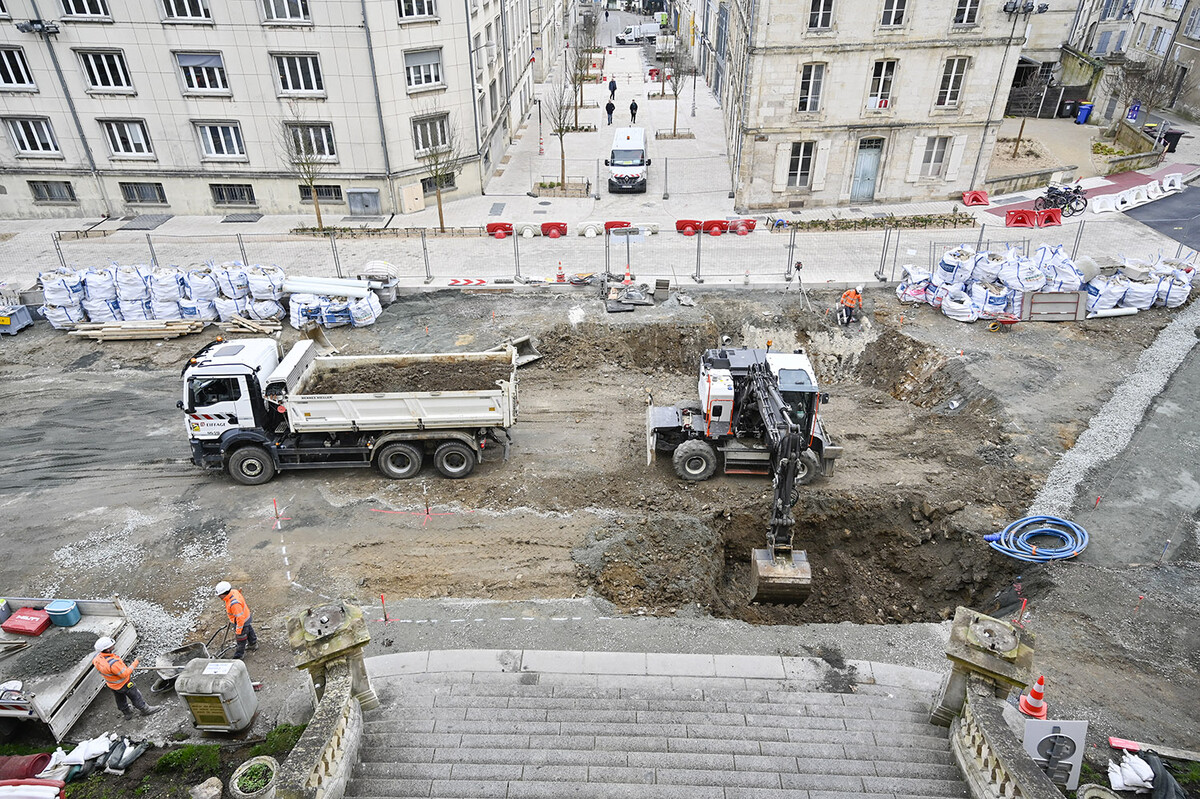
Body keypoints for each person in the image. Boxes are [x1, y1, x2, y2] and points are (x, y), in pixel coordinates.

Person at [92, 638, 162, 721]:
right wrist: (136, 662)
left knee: (120, 699)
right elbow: (125, 674)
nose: (113, 645)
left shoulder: (96, 658)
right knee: (136, 696)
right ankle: (145, 710)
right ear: (107, 649)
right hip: (124, 684)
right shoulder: (113, 663)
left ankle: (127, 713)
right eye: (111, 645)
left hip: (112, 685)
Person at [216, 580, 258, 659]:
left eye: (219, 595)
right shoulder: (233, 592)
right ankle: (253, 644)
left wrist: (238, 630)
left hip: (241, 621)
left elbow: (240, 618)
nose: (219, 596)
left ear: (224, 593)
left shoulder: (234, 604)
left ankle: (239, 656)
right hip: (246, 617)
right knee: (249, 630)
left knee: (241, 639)